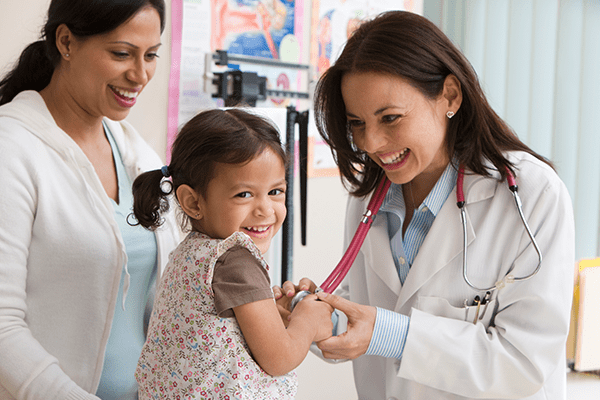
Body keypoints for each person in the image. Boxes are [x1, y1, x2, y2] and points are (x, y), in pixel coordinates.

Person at [275, 10, 575, 400]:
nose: (371, 144)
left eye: (390, 118)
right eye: (358, 123)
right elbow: (362, 316)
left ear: (449, 96)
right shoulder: (370, 199)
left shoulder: (531, 196)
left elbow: (524, 362)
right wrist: (315, 318)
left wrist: (390, 334)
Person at [0, 1, 181, 399]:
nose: (140, 74)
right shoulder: (11, 150)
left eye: (151, 55)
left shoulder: (138, 155)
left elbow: (170, 293)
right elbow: (2, 327)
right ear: (65, 41)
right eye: (122, 53)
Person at [132, 108, 333, 399]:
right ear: (192, 201)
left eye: (276, 191)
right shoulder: (235, 259)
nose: (265, 209)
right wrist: (308, 320)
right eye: (244, 194)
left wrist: (275, 315)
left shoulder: (190, 252)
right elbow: (279, 358)